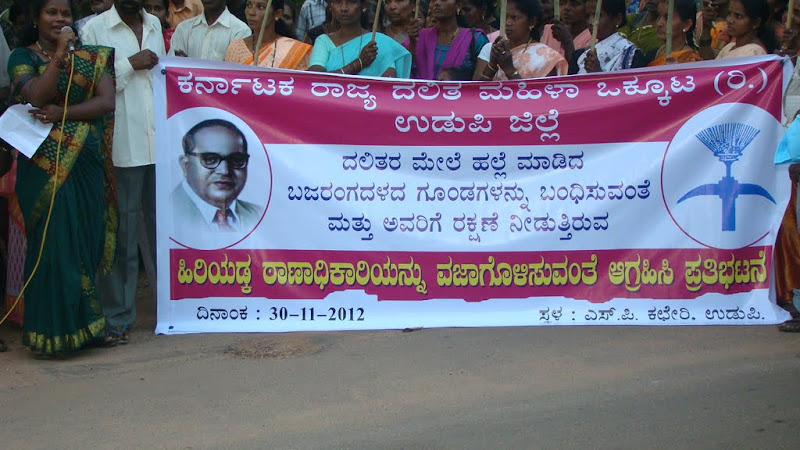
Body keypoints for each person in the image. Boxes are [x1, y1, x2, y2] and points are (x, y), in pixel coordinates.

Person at [6, 0, 116, 357]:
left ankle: (88, 327)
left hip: (85, 162)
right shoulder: (21, 57)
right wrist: (58, 55)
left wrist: (62, 113)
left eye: (65, 14)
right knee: (55, 245)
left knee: (85, 241)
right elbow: (36, 94)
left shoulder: (90, 56)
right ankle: (53, 334)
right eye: (51, 13)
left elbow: (106, 102)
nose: (59, 19)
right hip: (44, 167)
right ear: (36, 17)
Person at [80, 0, 166, 346]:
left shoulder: (155, 24)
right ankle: (119, 316)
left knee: (162, 231)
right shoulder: (95, 29)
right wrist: (130, 64)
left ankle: (168, 309)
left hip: (159, 143)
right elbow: (89, 85)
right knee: (123, 237)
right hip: (122, 147)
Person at [172, 120, 263, 234]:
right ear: (185, 165)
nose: (224, 171)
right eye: (210, 159)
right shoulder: (165, 211)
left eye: (236, 160)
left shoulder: (258, 214)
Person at [308, 0, 411, 77]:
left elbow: (387, 84)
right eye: (338, 2)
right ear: (331, 6)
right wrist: (358, 63)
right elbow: (314, 79)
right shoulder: (323, 41)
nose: (344, 8)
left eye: (351, 2)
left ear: (364, 5)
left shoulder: (377, 42)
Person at [474, 0, 567, 79]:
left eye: (514, 18)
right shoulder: (495, 49)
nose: (508, 23)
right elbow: (476, 91)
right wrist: (492, 65)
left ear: (532, 22)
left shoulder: (546, 57)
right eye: (505, 18)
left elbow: (541, 93)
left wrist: (510, 70)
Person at [407, 0, 489, 80]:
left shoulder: (476, 39)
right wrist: (412, 43)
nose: (437, 3)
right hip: (422, 89)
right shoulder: (419, 36)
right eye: (433, 0)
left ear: (458, 5)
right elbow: (406, 70)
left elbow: (483, 81)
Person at [224, 0, 312, 68]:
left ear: (277, 14)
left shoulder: (293, 51)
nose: (251, 12)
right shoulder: (236, 48)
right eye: (249, 5)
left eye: (260, 7)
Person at [570, 0, 644, 73]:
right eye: (587, 16)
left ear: (618, 19)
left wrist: (598, 72)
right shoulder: (579, 56)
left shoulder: (631, 55)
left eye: (598, 16)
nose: (590, 22)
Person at [169, 0, 250, 59]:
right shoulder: (183, 29)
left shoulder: (240, 31)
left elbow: (237, 71)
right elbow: (173, 67)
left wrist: (188, 64)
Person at [711, 0, 777, 59]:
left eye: (738, 16)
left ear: (756, 23)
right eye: (729, 14)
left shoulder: (754, 52)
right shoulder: (730, 46)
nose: (730, 20)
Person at [647, 0, 700, 65]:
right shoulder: (652, 54)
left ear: (686, 25)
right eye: (658, 16)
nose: (659, 23)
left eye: (667, 18)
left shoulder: (691, 61)